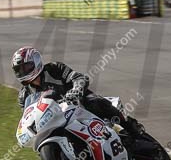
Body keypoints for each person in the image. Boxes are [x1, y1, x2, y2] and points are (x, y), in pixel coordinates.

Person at [11, 46, 145, 138]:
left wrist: (76, 90)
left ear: (36, 61)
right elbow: (29, 118)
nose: (23, 72)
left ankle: (131, 128)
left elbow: (79, 78)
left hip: (79, 104)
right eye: (20, 70)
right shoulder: (24, 96)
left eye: (26, 67)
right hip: (57, 120)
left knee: (95, 102)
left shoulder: (54, 68)